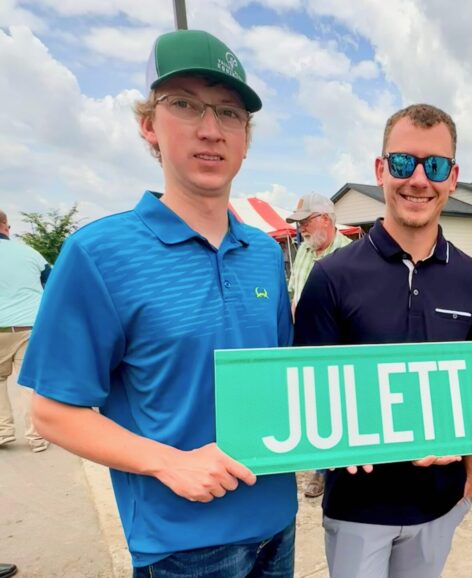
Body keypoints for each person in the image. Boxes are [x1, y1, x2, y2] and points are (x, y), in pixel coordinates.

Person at [19, 29, 296, 577]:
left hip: (277, 525)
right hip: (181, 545)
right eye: (185, 106)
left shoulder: (264, 253)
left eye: (229, 113)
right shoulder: (98, 254)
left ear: (246, 137)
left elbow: (284, 382)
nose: (210, 130)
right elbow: (52, 413)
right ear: (149, 125)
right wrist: (169, 463)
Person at [294, 104, 472, 578]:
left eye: (436, 166)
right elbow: (309, 392)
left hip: (440, 504)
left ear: (453, 177)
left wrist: (470, 474)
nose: (419, 179)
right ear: (381, 169)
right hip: (358, 509)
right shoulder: (331, 277)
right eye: (404, 163)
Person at [285, 193, 351, 499]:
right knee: (312, 409)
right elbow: (293, 292)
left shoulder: (351, 256)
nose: (301, 231)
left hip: (337, 350)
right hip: (304, 346)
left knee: (335, 410)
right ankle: (319, 464)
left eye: (306, 223)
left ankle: (325, 472)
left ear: (325, 219)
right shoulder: (304, 252)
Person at [0, 209, 50, 453]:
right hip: (29, 325)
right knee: (28, 383)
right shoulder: (29, 252)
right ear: (5, 226)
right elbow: (52, 281)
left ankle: (2, 432)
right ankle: (36, 437)